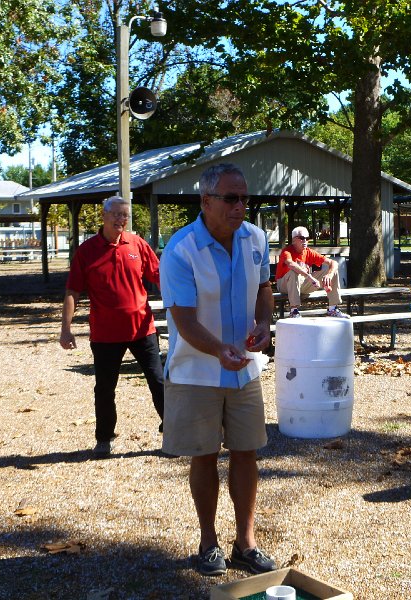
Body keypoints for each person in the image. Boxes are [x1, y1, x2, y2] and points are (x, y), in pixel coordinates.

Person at [159, 164, 278, 577]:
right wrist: (218, 350)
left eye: (244, 198)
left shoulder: (256, 238)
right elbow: (184, 320)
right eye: (230, 198)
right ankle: (208, 542)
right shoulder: (181, 249)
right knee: (204, 455)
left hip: (244, 371)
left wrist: (264, 324)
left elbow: (264, 289)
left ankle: (246, 543)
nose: (239, 206)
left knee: (247, 452)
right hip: (197, 373)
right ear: (206, 201)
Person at [59, 196, 164, 458]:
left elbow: (161, 277)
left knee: (159, 381)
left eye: (125, 215)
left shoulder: (137, 244)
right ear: (104, 216)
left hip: (142, 328)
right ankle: (104, 439)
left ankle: (173, 432)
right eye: (116, 214)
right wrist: (65, 328)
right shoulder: (87, 251)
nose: (120, 219)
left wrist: (182, 306)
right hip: (105, 334)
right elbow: (73, 291)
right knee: (105, 389)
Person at [275, 225, 349, 318]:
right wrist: (309, 276)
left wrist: (329, 275)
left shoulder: (309, 252)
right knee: (293, 272)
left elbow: (333, 262)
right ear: (294, 240)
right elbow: (290, 264)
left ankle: (332, 309)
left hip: (303, 284)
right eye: (302, 238)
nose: (305, 241)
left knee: (333, 271)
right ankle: (294, 311)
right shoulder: (287, 252)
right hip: (284, 284)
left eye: (307, 238)